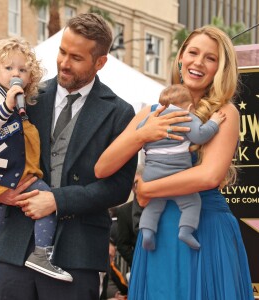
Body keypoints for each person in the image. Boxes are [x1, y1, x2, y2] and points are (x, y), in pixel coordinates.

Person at [0, 13, 164, 300]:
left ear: (100, 62)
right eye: (62, 51)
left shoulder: (120, 112)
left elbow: (117, 188)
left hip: (78, 254)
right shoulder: (27, 95)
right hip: (13, 247)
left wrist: (57, 200)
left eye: (76, 57)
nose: (64, 62)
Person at [95, 26, 254, 299]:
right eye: (193, 52)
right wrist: (144, 134)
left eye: (210, 58)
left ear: (220, 69)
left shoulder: (223, 112)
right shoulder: (152, 112)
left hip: (206, 229)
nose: (198, 62)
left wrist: (146, 190)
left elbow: (208, 176)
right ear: (181, 57)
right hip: (160, 232)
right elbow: (103, 167)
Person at [0, 37, 73, 281]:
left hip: (12, 171)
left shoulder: (21, 104)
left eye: (22, 70)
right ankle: (41, 254)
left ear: (30, 76)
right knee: (45, 200)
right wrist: (6, 105)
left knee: (0, 213)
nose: (16, 74)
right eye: (9, 68)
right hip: (3, 170)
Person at [138, 84, 226, 251]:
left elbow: (138, 132)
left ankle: (147, 232)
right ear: (190, 107)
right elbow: (200, 136)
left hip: (151, 173)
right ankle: (186, 231)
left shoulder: (152, 117)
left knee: (154, 204)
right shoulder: (186, 116)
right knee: (192, 202)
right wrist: (214, 123)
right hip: (176, 173)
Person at [116, 165, 144, 267]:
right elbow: (123, 245)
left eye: (136, 183)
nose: (134, 189)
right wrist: (137, 264)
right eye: (131, 185)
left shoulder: (160, 204)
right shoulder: (124, 211)